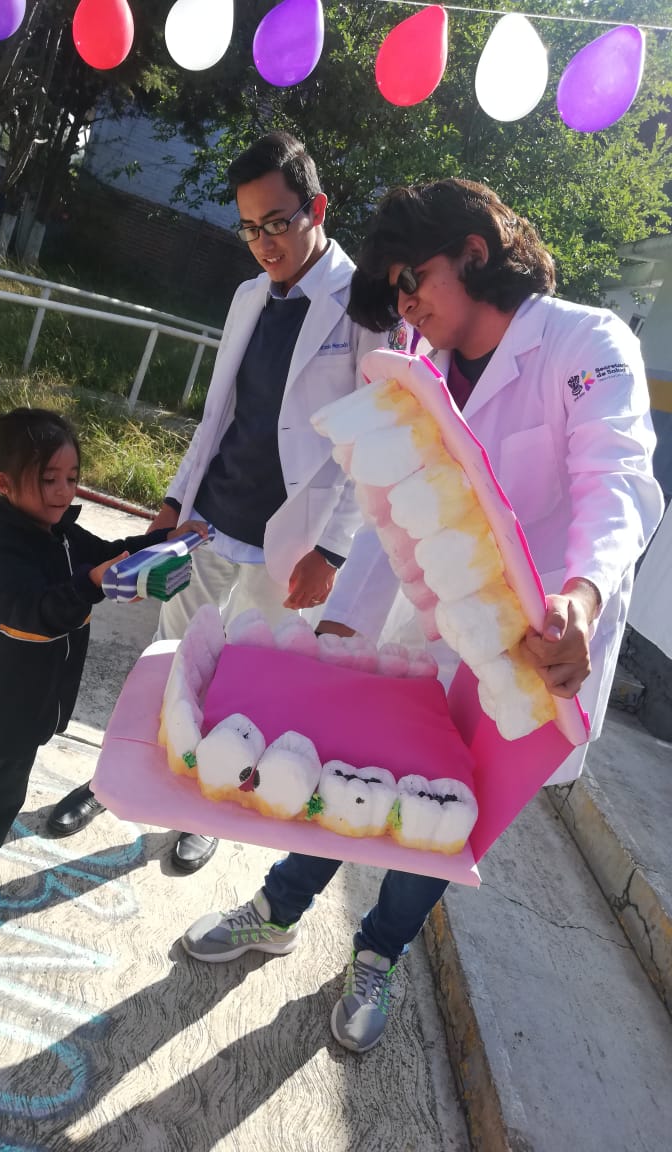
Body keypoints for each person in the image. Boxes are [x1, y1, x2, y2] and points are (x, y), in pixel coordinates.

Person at [179, 178, 665, 1053]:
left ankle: (379, 952)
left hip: (541, 649)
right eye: (395, 292)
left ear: (475, 253)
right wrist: (346, 624)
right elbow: (394, 507)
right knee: (361, 766)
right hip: (433, 624)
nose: (405, 305)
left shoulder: (589, 342)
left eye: (413, 280)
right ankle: (277, 909)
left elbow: (619, 481)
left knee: (449, 811)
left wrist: (585, 594)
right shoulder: (423, 365)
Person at [47, 131, 389, 867]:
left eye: (278, 222)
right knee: (169, 657)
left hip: (292, 539)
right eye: (249, 227)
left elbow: (374, 445)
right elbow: (217, 415)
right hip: (209, 519)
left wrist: (333, 551)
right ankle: (121, 777)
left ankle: (208, 807)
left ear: (317, 209)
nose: (264, 242)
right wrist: (176, 502)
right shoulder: (247, 296)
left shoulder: (363, 308)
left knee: (250, 678)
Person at [0, 407, 208, 961]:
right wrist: (94, 585)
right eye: (49, 479)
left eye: (71, 478)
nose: (63, 491)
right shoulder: (2, 555)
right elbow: (36, 614)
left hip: (31, 715)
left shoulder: (64, 534)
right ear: (5, 484)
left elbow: (112, 552)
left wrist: (167, 539)